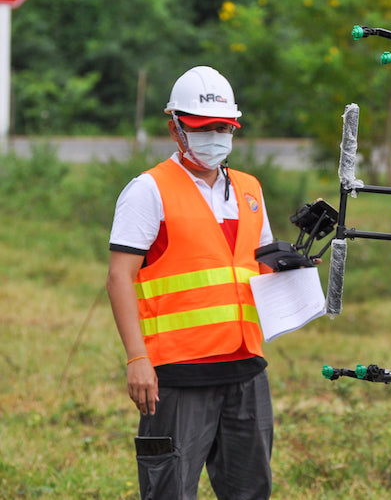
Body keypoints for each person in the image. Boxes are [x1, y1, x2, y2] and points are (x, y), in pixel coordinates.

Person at [106, 66, 275, 499]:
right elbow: (119, 276)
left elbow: (257, 270)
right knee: (170, 492)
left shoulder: (249, 190)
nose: (215, 136)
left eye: (223, 127)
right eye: (203, 128)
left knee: (251, 490)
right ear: (175, 128)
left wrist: (291, 269)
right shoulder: (149, 190)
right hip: (178, 377)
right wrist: (136, 359)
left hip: (246, 370)